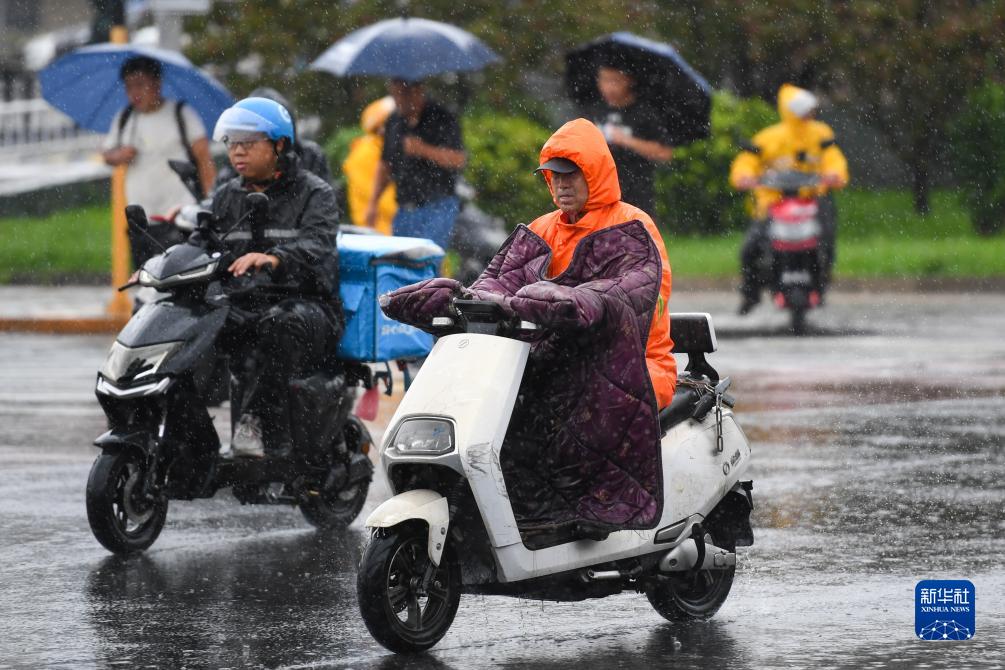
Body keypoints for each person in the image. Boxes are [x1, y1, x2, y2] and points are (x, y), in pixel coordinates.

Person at [381, 118, 675, 535]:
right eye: (552, 176)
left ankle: (593, 510)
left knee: (574, 400)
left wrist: (574, 300)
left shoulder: (632, 227)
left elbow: (632, 292)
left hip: (630, 364)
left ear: (595, 173)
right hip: (549, 358)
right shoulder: (540, 229)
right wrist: (457, 300)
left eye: (570, 175)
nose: (560, 185)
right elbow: (496, 285)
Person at [203, 96, 342, 458]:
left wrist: (273, 259)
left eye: (248, 143)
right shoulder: (225, 197)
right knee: (196, 327)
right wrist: (164, 264)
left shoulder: (315, 193)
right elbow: (201, 243)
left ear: (279, 145)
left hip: (310, 307)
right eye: (232, 143)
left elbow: (317, 244)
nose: (238, 152)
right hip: (245, 304)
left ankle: (253, 420)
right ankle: (189, 440)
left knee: (280, 325)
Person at [730, 83, 849, 314]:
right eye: (802, 111)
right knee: (750, 249)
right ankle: (751, 293)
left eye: (810, 110)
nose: (808, 115)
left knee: (826, 242)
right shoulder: (769, 138)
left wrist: (836, 174)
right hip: (773, 204)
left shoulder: (821, 134)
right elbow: (748, 160)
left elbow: (833, 157)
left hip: (812, 202)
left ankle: (820, 283)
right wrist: (743, 176)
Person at [102, 55, 216, 267]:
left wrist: (210, 202)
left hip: (179, 215)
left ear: (157, 83)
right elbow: (107, 155)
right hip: (142, 219)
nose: (134, 93)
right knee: (145, 278)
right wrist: (120, 155)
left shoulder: (180, 113)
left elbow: (204, 158)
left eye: (140, 85)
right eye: (128, 87)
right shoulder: (125, 117)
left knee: (180, 275)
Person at [365, 79, 466, 249]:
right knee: (402, 264)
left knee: (426, 260)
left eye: (403, 94)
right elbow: (386, 165)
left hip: (438, 204)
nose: (398, 101)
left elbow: (458, 159)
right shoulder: (394, 121)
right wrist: (373, 203)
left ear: (418, 91)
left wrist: (423, 150)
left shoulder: (441, 117)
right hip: (405, 207)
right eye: (394, 95)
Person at [588, 62, 673, 215]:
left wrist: (627, 141)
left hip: (637, 192)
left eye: (615, 80)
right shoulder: (595, 110)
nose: (609, 87)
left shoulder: (645, 112)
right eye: (604, 80)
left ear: (629, 80)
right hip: (601, 191)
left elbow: (665, 153)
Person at [212, 86, 332, 189]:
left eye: (251, 142)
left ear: (280, 143)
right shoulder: (236, 168)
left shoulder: (310, 156)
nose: (239, 151)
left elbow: (325, 200)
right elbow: (216, 202)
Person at [343, 96, 397, 234]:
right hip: (378, 231)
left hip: (391, 228)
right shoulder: (364, 154)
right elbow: (384, 202)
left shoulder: (384, 149)